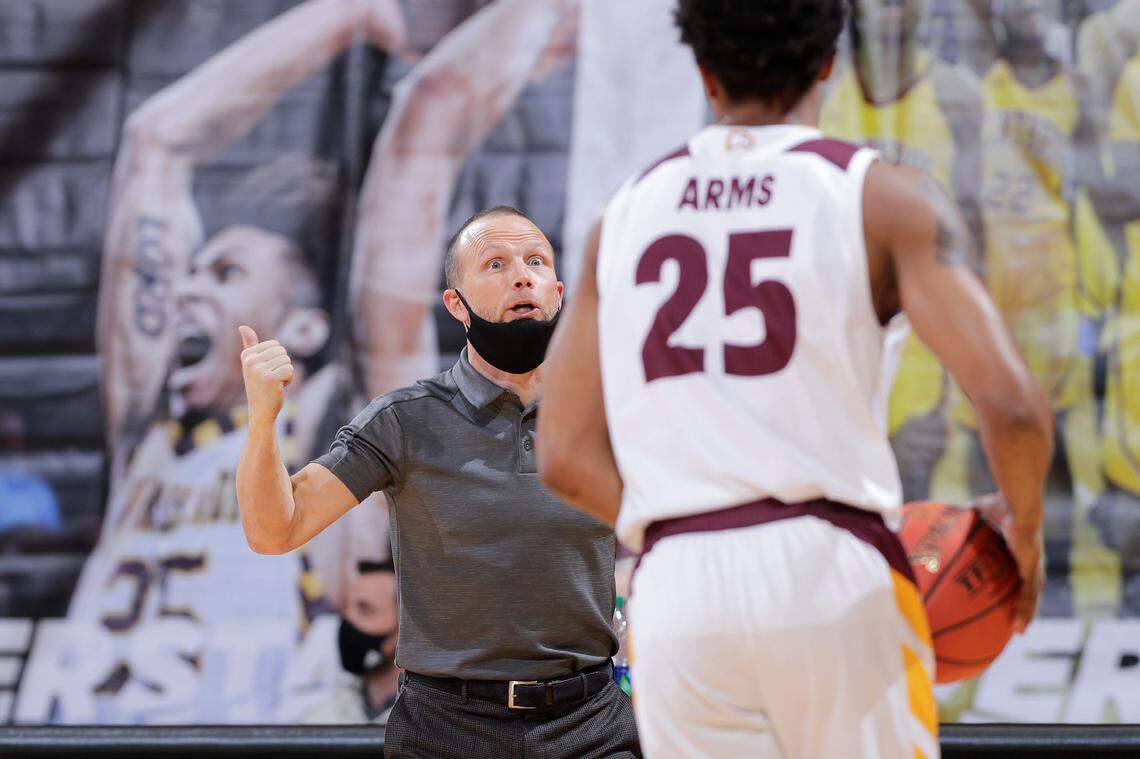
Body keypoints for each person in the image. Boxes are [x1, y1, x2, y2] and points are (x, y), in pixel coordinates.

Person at [538, 0, 1053, 756]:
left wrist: (696, 518)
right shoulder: (882, 196)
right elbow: (1012, 406)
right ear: (828, 64)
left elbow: (561, 456)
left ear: (704, 74)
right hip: (829, 572)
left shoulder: (620, 217)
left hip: (678, 595)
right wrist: (1028, 534)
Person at [237, 204, 640, 758]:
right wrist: (262, 420)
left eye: (536, 262)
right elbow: (274, 530)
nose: (522, 275)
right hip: (445, 727)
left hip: (590, 723)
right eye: (495, 263)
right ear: (456, 303)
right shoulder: (405, 419)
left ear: (558, 292)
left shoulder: (612, 412)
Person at [820, 0, 984, 501]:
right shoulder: (821, 94)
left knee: (921, 547)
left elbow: (977, 244)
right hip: (832, 366)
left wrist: (966, 382)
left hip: (925, 368)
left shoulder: (958, 95)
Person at [303, 559, 401, 726]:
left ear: (405, 630)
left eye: (364, 610)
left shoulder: (429, 726)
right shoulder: (322, 719)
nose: (348, 620)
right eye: (345, 607)